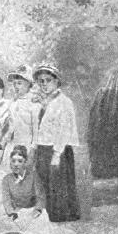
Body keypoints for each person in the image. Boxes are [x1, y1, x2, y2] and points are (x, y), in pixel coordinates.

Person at [1, 145, 79, 234]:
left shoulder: (33, 176)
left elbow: (41, 196)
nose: (16, 164)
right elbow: (6, 199)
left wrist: (37, 210)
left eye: (20, 161)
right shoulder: (6, 179)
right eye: (13, 161)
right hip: (16, 213)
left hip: (33, 212)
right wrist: (12, 213)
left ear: (25, 162)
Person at [32, 64, 80, 222]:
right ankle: (49, 217)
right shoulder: (43, 102)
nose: (44, 84)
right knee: (45, 183)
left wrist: (57, 154)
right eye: (41, 81)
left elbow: (64, 129)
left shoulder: (64, 102)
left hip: (58, 149)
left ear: (57, 82)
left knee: (58, 185)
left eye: (48, 80)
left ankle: (61, 218)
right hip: (43, 148)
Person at [5, 65, 41, 169]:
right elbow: (11, 127)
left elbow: (36, 130)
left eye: (19, 83)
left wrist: (33, 150)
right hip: (12, 146)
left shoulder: (34, 103)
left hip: (27, 146)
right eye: (14, 83)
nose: (16, 86)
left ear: (28, 84)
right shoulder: (12, 103)